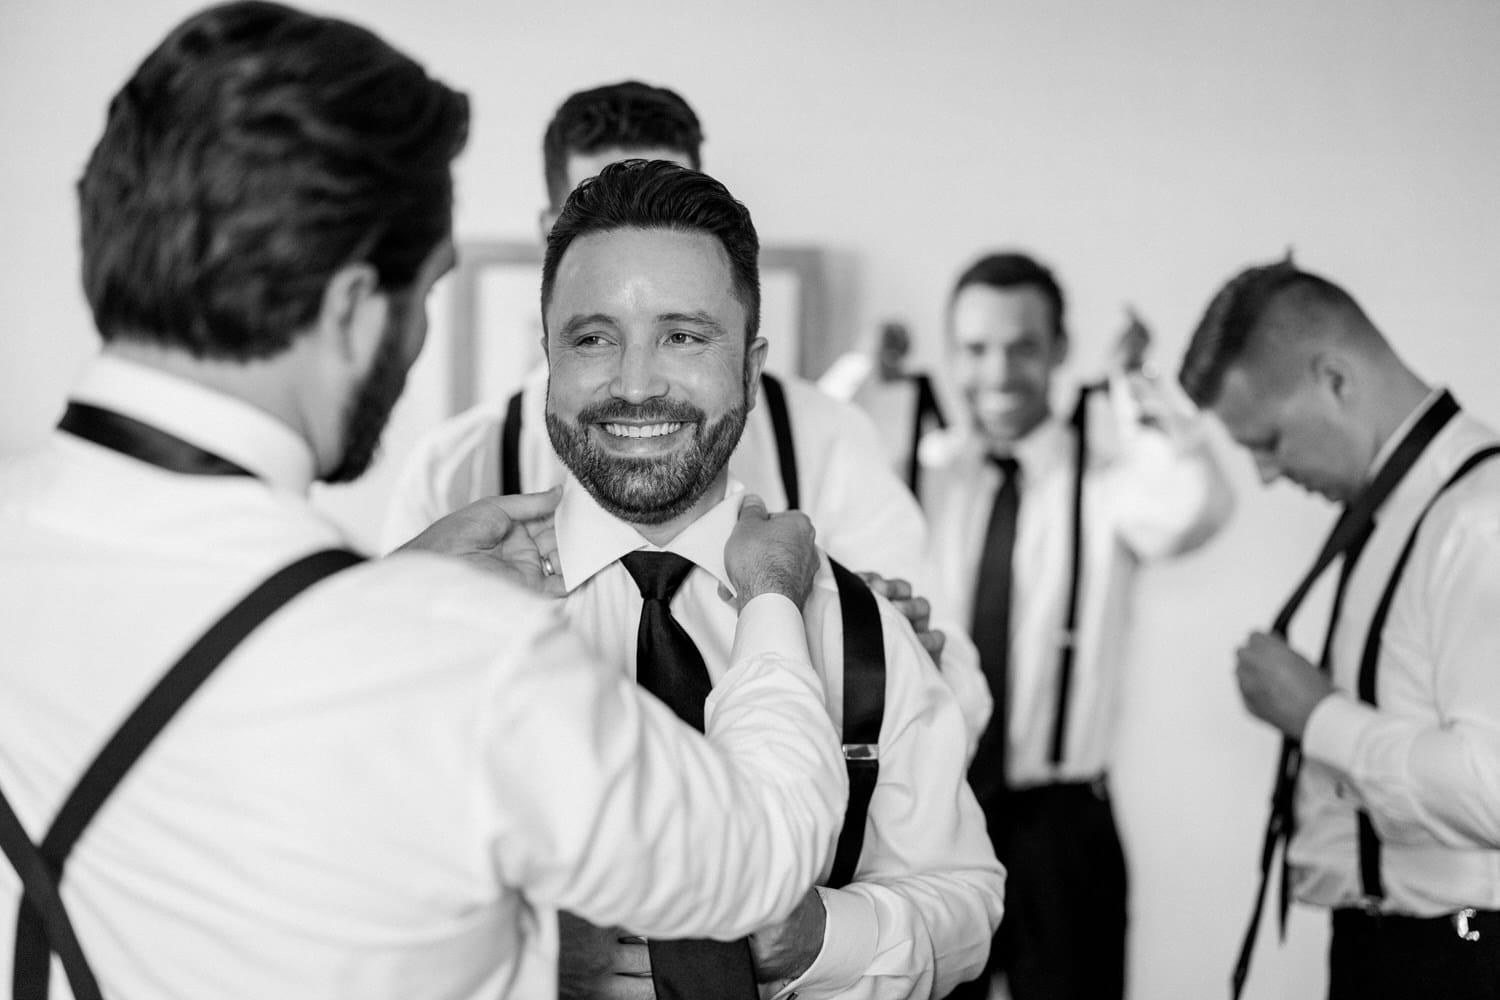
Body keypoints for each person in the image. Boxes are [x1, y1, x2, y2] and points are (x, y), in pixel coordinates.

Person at [0, 5, 854, 997]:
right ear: (357, 308)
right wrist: (774, 602)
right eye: (427, 290)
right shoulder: (463, 658)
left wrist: (393, 589)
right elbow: (761, 855)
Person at [381, 79, 992, 750]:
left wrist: (887, 663)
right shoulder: (451, 471)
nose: (638, 387)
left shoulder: (826, 438)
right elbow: (384, 736)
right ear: (548, 235)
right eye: (594, 215)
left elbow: (959, 702)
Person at [534, 158, 1004, 1000]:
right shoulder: (452, 617)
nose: (636, 384)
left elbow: (966, 900)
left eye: (683, 336)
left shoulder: (856, 624)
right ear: (547, 360)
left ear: (750, 371)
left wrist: (822, 939)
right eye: (594, 337)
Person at [1179, 258, 1500, 1000]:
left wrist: (1316, 715)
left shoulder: (1480, 525)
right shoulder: (1405, 511)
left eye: (1268, 439)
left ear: (1335, 380)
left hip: (1460, 957)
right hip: (1397, 947)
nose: (1262, 473)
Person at [920, 252, 1235, 1000]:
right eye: (975, 349)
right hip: (929, 815)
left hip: (1060, 829)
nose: (997, 373)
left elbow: (1197, 506)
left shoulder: (1106, 479)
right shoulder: (922, 475)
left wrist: (1135, 387)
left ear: (1060, 351)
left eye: (1022, 347)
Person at [818, 320, 951, 496]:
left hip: (904, 485)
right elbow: (821, 409)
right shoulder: (857, 383)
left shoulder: (919, 385)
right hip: (859, 483)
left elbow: (942, 433)